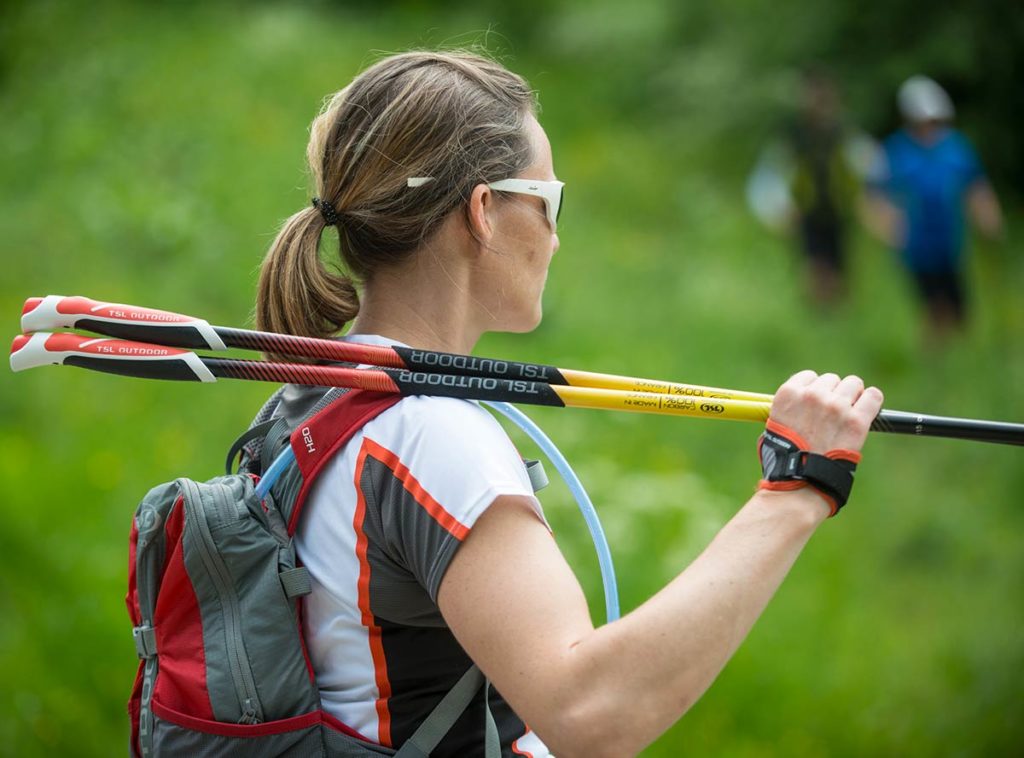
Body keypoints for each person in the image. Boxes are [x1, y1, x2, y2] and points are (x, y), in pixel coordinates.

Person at [255, 50, 885, 757]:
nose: (557, 237)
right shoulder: (432, 436)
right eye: (550, 202)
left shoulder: (311, 395)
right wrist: (795, 490)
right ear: (484, 211)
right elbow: (589, 714)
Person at [864, 75, 1004, 341]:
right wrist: (887, 226)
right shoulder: (895, 151)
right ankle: (934, 363)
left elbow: (976, 186)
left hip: (950, 242)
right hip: (916, 246)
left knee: (960, 310)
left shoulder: (955, 147)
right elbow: (873, 195)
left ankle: (957, 360)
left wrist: (988, 217)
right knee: (933, 309)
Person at [746, 68, 878, 307]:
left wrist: (867, 202)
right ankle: (820, 315)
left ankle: (836, 318)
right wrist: (776, 208)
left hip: (837, 209)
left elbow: (869, 166)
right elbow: (771, 172)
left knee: (838, 270)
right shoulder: (794, 135)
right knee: (813, 269)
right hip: (806, 209)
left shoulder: (843, 133)